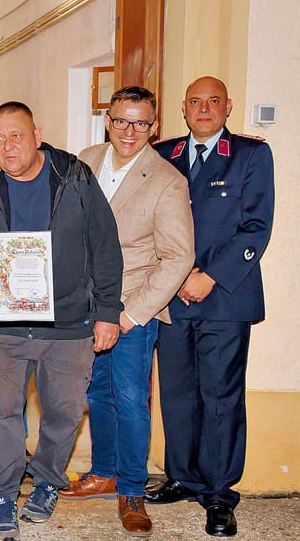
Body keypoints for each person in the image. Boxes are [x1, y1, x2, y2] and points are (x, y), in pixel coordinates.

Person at [0, 102, 123, 541]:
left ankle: (48, 481)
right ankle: (1, 494)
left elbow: (105, 246)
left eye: (15, 136)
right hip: (9, 324)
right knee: (1, 413)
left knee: (63, 412)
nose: (6, 147)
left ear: (37, 134)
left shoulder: (74, 177)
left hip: (71, 322)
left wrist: (107, 313)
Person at [59, 86, 195, 537]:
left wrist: (131, 315)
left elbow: (177, 257)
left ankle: (132, 489)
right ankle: (104, 472)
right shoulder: (87, 159)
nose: (130, 131)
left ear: (153, 126)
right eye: (121, 121)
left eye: (140, 122)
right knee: (95, 395)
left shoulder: (168, 180)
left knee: (132, 399)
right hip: (86, 305)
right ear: (108, 121)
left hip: (133, 310)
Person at [146, 76, 274, 538]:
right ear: (184, 109)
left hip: (226, 297)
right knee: (177, 392)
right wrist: (176, 276)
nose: (204, 109)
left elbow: (256, 227)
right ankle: (182, 475)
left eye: (213, 101)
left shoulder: (251, 155)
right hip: (171, 296)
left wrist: (208, 276)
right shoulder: (163, 155)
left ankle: (219, 493)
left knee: (220, 396)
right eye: (195, 102)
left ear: (228, 107)